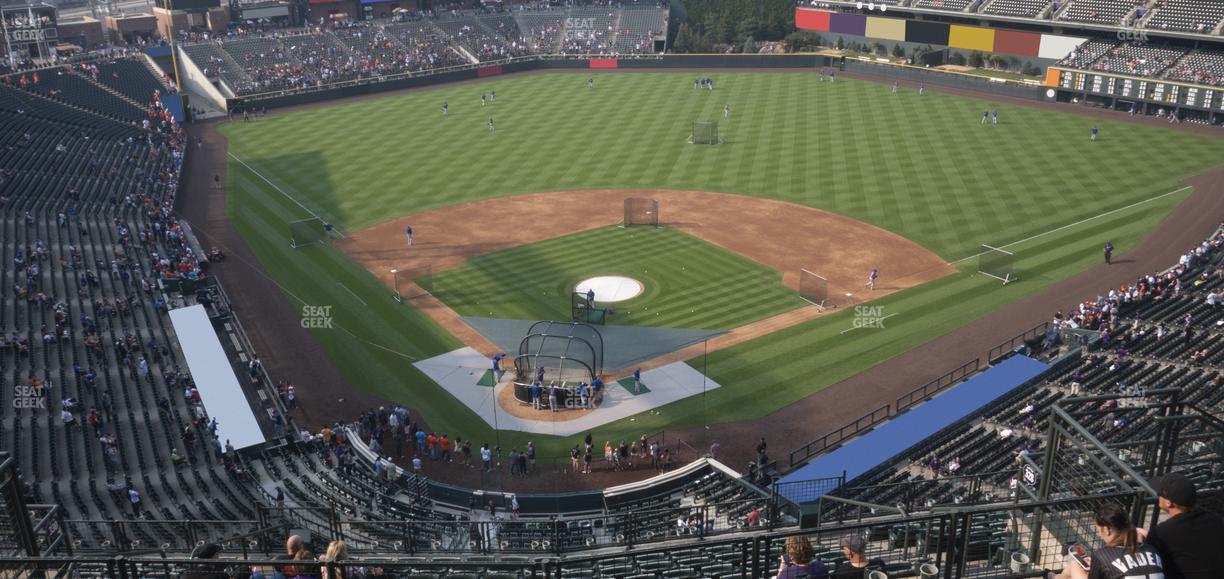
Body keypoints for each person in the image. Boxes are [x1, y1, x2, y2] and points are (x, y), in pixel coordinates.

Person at [1053, 502, 1163, 579]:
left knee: (1074, 565)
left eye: (1098, 531)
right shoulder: (1152, 549)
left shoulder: (1102, 555)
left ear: (1106, 530)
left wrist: (1096, 565)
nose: (1100, 536)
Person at [1146, 472, 1224, 578]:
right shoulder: (1216, 519)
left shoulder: (1161, 533)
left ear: (1169, 503)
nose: (1158, 496)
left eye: (1159, 494)